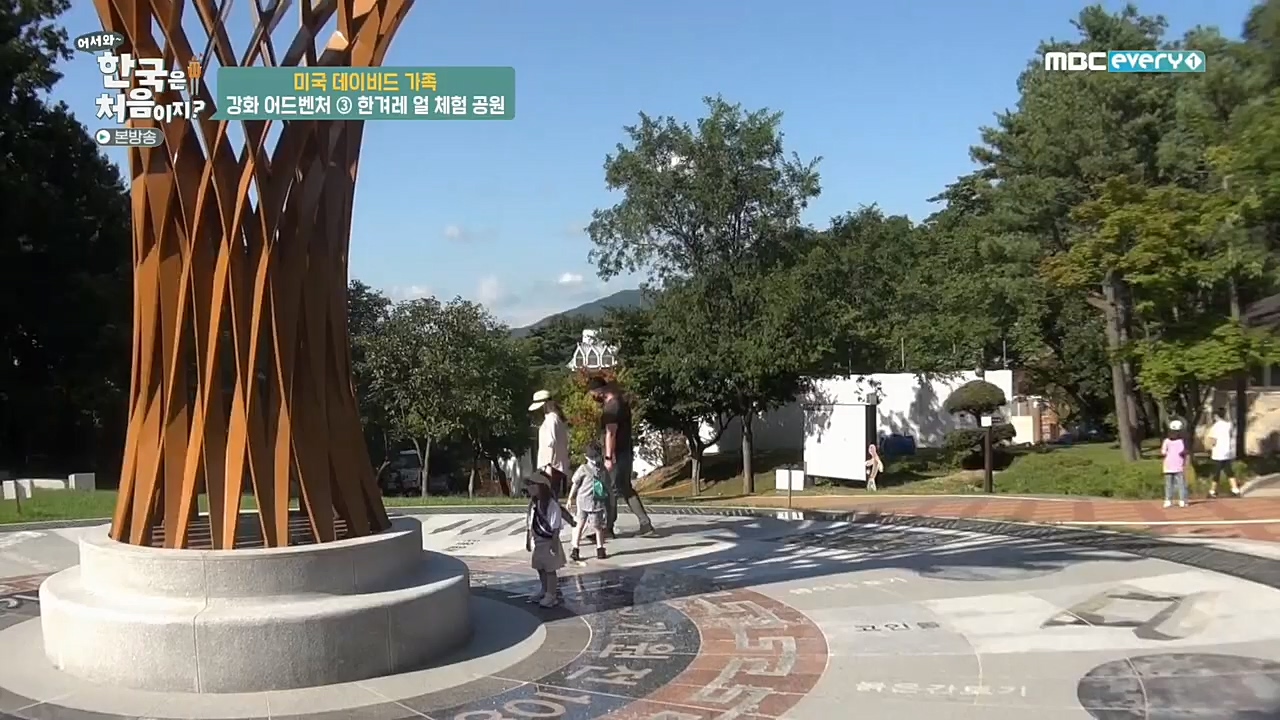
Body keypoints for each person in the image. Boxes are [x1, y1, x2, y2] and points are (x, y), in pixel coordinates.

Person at [586, 376, 657, 538]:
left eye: (593, 394)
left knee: (610, 490)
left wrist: (608, 457)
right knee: (625, 488)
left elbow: (611, 433)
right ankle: (645, 524)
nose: (593, 398)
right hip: (625, 452)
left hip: (616, 455)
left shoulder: (612, 408)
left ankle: (607, 528)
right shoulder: (621, 403)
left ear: (599, 391)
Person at [524, 471, 565, 608]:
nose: (529, 487)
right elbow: (529, 522)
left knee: (549, 569)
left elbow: (556, 525)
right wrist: (528, 539)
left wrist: (554, 543)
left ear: (541, 486)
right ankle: (544, 589)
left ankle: (551, 595)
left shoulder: (551, 505)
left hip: (548, 541)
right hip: (538, 542)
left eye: (533, 484)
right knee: (540, 567)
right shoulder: (534, 504)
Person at [567, 440, 609, 561]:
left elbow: (607, 485)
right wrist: (570, 498)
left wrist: (608, 499)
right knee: (580, 524)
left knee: (597, 526)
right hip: (583, 501)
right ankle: (575, 548)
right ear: (586, 457)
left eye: (597, 457)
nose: (595, 460)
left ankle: (600, 548)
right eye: (592, 457)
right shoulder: (583, 468)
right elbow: (575, 483)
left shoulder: (603, 470)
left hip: (597, 503)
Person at [529, 389, 570, 497]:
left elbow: (551, 442)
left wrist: (548, 466)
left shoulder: (551, 419)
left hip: (551, 466)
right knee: (552, 497)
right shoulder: (557, 419)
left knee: (548, 498)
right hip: (557, 466)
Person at [1207, 407, 1241, 498]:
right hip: (1227, 452)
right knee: (1229, 471)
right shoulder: (1228, 425)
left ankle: (1212, 491)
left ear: (1216, 416)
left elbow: (1213, 440)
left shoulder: (1215, 427)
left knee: (1216, 473)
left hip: (1218, 453)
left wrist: (1210, 447)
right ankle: (1235, 489)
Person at [1161, 419, 1189, 509]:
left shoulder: (1166, 441)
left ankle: (1168, 501)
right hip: (1179, 465)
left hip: (1168, 465)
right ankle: (1182, 501)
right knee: (1181, 484)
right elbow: (1184, 452)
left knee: (1168, 484)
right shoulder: (1182, 441)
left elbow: (1163, 452)